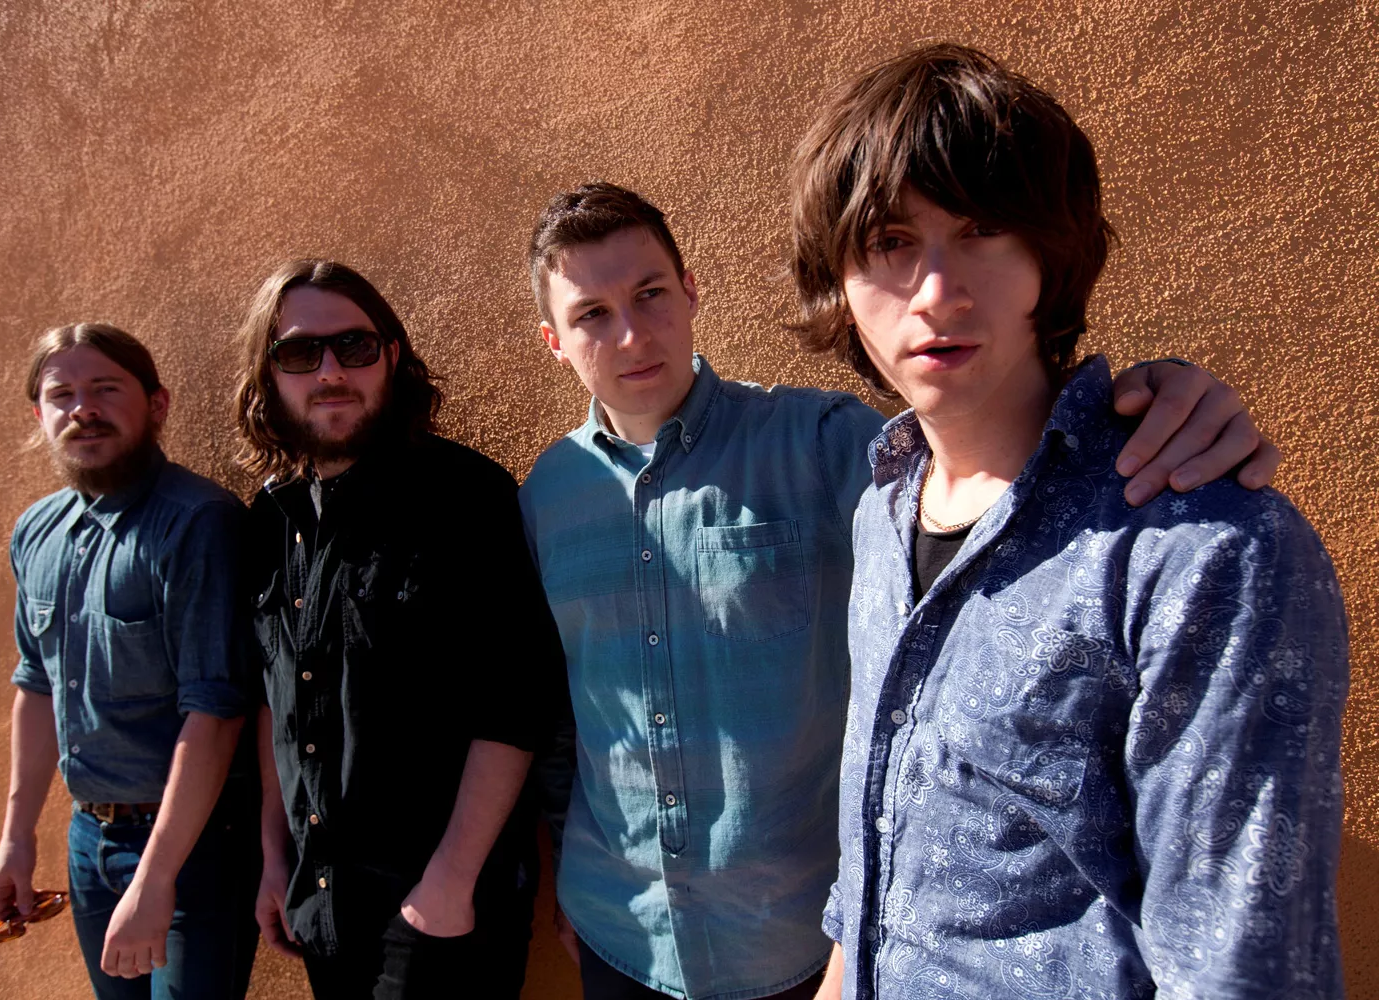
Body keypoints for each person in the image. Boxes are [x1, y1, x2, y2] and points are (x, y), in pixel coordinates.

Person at [520, 182, 1282, 1000]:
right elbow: (561, 708)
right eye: (592, 314)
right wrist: (565, 866)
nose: (632, 334)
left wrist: (1156, 402)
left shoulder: (824, 443)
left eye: (650, 294)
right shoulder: (546, 496)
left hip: (801, 945)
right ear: (555, 342)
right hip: (617, 932)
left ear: (690, 291)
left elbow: (994, 469)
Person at [791, 44, 1347, 1000]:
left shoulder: (1204, 552)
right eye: (889, 241)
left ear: (1050, 258)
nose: (937, 291)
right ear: (838, 282)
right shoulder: (881, 510)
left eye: (982, 230)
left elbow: (1240, 971)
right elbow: (875, 862)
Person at [233, 259, 563, 999]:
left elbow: (514, 705)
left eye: (353, 346)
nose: (330, 371)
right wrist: (276, 857)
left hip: (444, 907)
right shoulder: (269, 520)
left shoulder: (466, 496)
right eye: (299, 353)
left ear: (391, 355)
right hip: (322, 898)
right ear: (268, 375)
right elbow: (275, 699)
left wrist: (450, 880)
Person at [0, 322, 261, 999]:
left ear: (156, 405)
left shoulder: (198, 522)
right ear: (39, 416)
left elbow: (217, 711)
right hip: (88, 842)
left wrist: (157, 877)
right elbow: (37, 686)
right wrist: (17, 838)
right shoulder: (36, 531)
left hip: (192, 847)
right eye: (62, 395)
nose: (83, 409)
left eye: (106, 389)